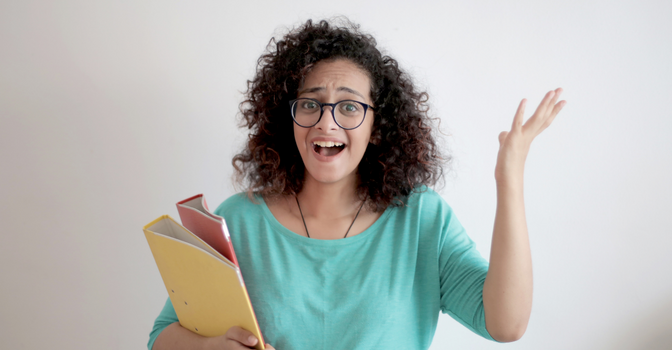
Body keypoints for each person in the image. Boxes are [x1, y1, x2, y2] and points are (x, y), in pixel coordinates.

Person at [148, 18, 566, 350]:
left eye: (349, 106)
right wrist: (209, 348)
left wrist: (508, 176)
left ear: (377, 125)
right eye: (310, 104)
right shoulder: (238, 220)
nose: (326, 122)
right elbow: (162, 337)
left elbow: (506, 324)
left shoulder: (421, 219)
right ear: (286, 118)